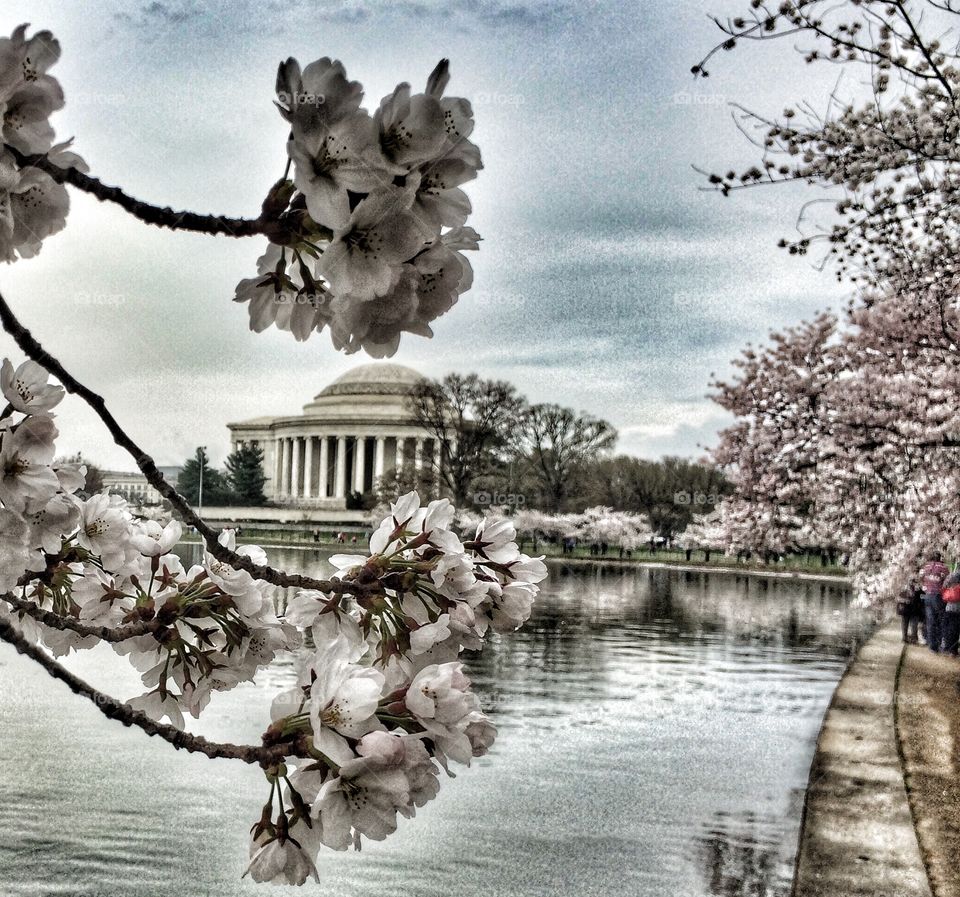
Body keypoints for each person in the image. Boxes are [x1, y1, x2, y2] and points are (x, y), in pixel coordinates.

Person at [920, 551, 950, 652]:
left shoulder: (926, 567)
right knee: (941, 620)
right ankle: (940, 644)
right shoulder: (943, 567)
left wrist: (925, 585)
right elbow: (948, 581)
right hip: (938, 596)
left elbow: (921, 577)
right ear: (939, 558)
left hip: (927, 595)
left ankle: (932, 645)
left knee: (930, 621)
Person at [896, 579, 924, 644]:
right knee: (908, 623)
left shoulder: (917, 590)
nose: (913, 583)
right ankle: (909, 638)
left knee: (910, 624)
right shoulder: (906, 589)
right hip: (909, 609)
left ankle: (910, 638)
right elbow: (898, 598)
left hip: (911, 609)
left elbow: (922, 596)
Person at [942, 568, 960, 655]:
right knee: (955, 630)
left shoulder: (952, 576)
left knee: (948, 628)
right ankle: (953, 650)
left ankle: (948, 647)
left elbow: (945, 585)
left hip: (950, 606)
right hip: (957, 609)